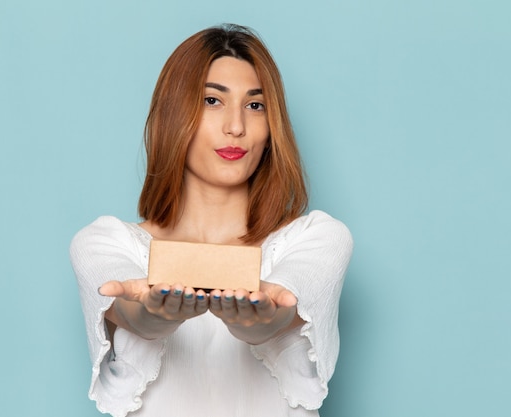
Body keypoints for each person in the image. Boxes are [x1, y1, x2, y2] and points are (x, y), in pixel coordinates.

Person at [70, 24, 353, 417]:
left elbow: (279, 313)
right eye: (212, 101)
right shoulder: (104, 243)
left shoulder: (317, 239)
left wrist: (257, 321)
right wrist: (154, 313)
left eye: (255, 105)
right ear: (174, 115)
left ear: (272, 130)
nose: (235, 127)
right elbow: (133, 315)